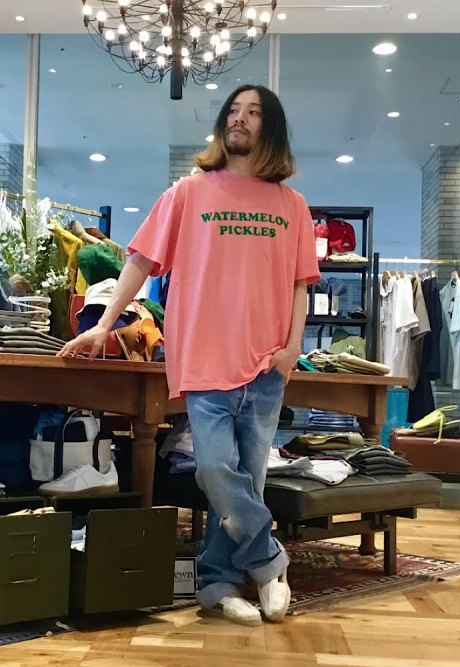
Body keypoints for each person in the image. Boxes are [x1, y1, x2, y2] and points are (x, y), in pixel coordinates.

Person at [58, 84, 320, 626]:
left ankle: (216, 586)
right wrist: (104, 324)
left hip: (267, 364)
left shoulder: (291, 206)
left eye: (253, 113)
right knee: (216, 470)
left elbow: (300, 283)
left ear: (270, 129)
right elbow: (140, 260)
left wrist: (293, 348)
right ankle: (269, 561)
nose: (239, 119)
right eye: (233, 111)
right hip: (205, 359)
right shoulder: (189, 192)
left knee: (247, 479)